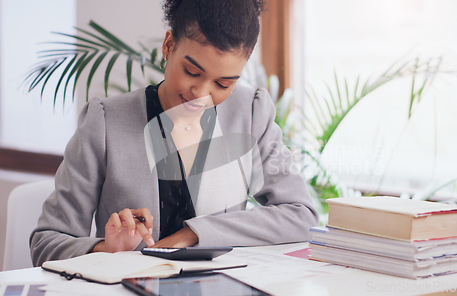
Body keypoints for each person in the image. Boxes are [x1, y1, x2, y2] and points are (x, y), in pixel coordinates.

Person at [30, 0, 318, 267]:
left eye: (223, 83)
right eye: (192, 72)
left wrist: (194, 234)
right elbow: (46, 242)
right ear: (168, 46)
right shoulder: (105, 122)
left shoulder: (251, 112)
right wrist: (105, 249)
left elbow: (301, 215)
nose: (202, 95)